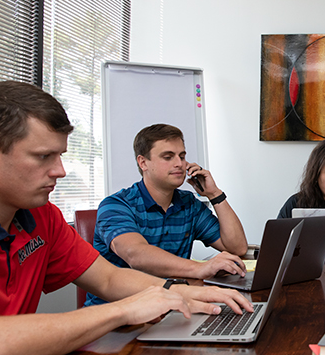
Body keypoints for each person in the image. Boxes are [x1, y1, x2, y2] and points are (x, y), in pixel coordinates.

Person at [0, 81, 253, 355]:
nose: (59, 171)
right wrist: (123, 311)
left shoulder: (42, 216)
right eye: (44, 156)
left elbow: (109, 277)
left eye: (59, 155)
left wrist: (194, 293)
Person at [85, 124, 248, 307]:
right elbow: (136, 254)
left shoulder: (189, 204)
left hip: (170, 306)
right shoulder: (115, 205)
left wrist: (214, 194)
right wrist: (201, 268)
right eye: (168, 157)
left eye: (182, 156)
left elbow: (237, 248)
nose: (179, 163)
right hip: (117, 315)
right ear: (143, 162)